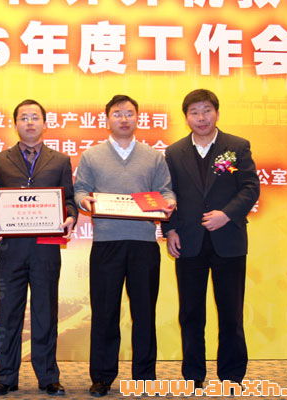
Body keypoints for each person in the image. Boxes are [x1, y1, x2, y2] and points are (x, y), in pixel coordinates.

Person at [74, 95, 176, 397]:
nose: (123, 119)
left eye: (129, 113)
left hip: (144, 243)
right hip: (107, 243)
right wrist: (85, 201)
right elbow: (80, 190)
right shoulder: (92, 156)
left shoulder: (153, 157)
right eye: (117, 114)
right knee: (104, 312)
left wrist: (169, 203)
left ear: (137, 118)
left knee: (144, 312)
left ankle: (144, 376)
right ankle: (102, 377)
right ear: (107, 119)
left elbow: (165, 191)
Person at [162, 89, 259, 390]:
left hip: (228, 241)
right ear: (186, 117)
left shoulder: (236, 147)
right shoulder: (174, 152)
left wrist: (226, 214)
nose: (201, 117)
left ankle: (231, 376)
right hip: (188, 242)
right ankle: (193, 375)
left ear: (217, 113)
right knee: (191, 313)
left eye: (206, 110)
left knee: (231, 312)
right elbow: (168, 194)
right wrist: (170, 230)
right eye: (194, 112)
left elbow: (250, 188)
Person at [0, 99, 77, 397]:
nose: (30, 122)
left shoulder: (60, 160)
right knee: (8, 313)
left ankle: (48, 376)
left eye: (35, 117)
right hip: (11, 249)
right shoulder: (0, 160)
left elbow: (69, 199)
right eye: (24, 117)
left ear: (44, 124)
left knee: (45, 313)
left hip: (46, 249)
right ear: (15, 124)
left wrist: (71, 217)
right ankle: (4, 377)